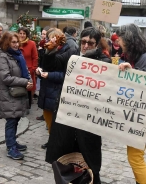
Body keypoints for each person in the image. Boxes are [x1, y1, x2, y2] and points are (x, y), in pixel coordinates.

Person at [44, 27, 111, 184]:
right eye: (83, 42)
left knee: (89, 157)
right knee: (67, 155)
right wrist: (50, 50)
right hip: (67, 116)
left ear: (97, 44)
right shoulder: (72, 56)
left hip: (88, 121)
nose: (86, 46)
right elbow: (52, 64)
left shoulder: (103, 60)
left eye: (90, 43)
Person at [116, 23, 146, 184]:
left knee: (135, 158)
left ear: (128, 39)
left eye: (120, 39)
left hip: (144, 118)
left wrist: (132, 72)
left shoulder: (145, 58)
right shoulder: (138, 57)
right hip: (138, 117)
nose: (118, 42)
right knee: (134, 157)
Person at [0, 31, 33, 160]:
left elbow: (25, 70)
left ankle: (13, 142)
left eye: (17, 42)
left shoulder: (18, 55)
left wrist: (30, 81)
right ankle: (11, 148)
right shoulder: (2, 57)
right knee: (11, 121)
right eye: (13, 42)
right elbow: (5, 77)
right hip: (9, 95)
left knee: (16, 119)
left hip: (18, 93)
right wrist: (24, 82)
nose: (16, 44)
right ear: (7, 43)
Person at [36, 28, 70, 149]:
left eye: (53, 37)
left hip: (56, 89)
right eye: (49, 38)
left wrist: (50, 75)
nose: (50, 40)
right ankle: (52, 139)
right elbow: (43, 65)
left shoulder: (66, 52)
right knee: (48, 117)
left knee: (56, 120)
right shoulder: (48, 49)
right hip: (46, 88)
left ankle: (57, 142)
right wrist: (38, 70)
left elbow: (66, 74)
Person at [17, 27, 38, 113]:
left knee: (28, 89)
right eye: (20, 33)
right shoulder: (15, 43)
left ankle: (27, 106)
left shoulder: (31, 43)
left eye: (24, 33)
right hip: (18, 69)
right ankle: (19, 106)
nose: (22, 35)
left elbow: (35, 57)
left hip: (29, 70)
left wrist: (33, 68)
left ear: (26, 35)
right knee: (19, 88)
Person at [36, 26, 50, 121]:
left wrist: (41, 50)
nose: (43, 35)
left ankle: (46, 115)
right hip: (41, 69)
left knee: (46, 93)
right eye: (42, 33)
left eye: (45, 34)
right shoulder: (41, 43)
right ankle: (44, 113)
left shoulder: (49, 45)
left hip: (47, 72)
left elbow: (46, 58)